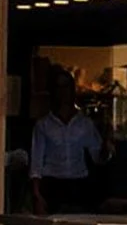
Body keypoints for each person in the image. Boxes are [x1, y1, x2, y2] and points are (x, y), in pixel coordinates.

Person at [29, 72, 106, 212]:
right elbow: (36, 162)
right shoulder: (43, 125)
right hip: (52, 184)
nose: (63, 92)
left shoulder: (85, 124)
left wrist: (107, 145)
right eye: (59, 88)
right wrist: (37, 194)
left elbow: (97, 156)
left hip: (79, 184)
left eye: (66, 87)